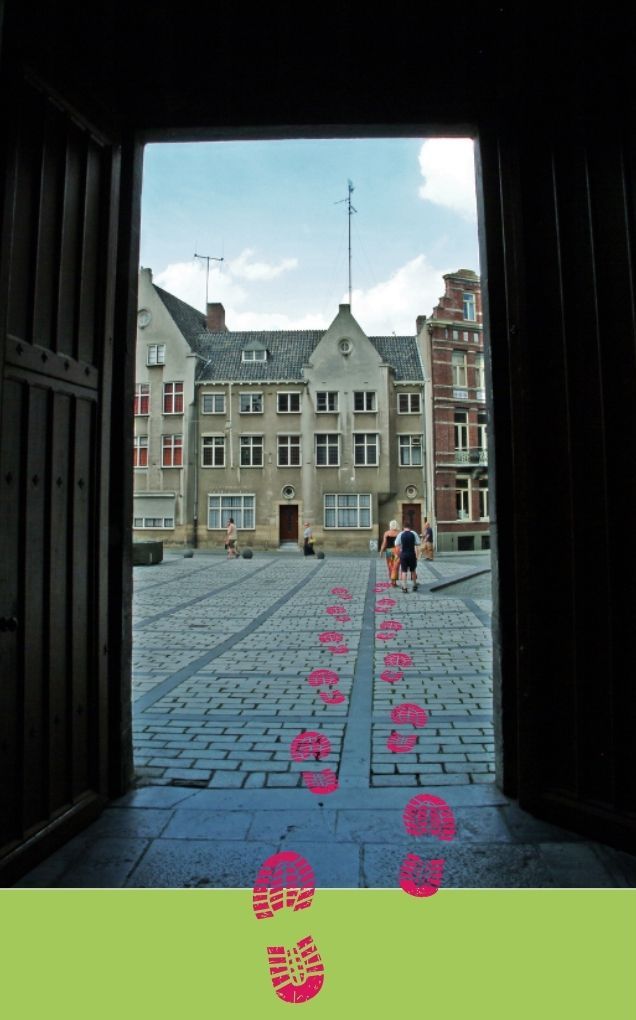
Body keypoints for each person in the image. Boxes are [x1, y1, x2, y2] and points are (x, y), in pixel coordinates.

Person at [395, 522, 421, 593]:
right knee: (413, 570)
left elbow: (396, 543)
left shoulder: (401, 534)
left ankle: (404, 587)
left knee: (404, 571)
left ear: (403, 527)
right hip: (412, 554)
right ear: (410, 527)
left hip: (403, 554)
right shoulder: (414, 533)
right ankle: (414, 585)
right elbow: (418, 543)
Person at [379, 519, 400, 585]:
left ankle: (392, 581)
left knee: (390, 566)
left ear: (390, 525)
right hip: (396, 550)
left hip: (389, 551)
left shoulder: (386, 533)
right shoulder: (399, 533)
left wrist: (381, 551)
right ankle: (394, 582)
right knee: (395, 566)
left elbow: (384, 543)